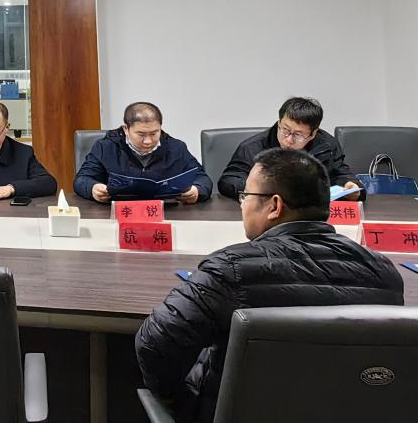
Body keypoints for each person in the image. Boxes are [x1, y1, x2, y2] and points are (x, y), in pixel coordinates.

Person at [135, 148, 403, 423]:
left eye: (246, 196)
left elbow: (154, 346)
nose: (242, 205)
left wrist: (185, 405)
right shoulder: (384, 273)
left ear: (274, 206)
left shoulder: (230, 269)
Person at [217, 97, 361, 200]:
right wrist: (262, 188)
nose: (289, 140)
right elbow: (228, 181)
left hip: (311, 215)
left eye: (298, 135)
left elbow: (341, 174)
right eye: (285, 130)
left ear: (313, 134)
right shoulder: (253, 147)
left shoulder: (326, 145)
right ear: (279, 122)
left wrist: (351, 187)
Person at [74, 102, 211, 204]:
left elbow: (202, 177)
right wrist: (93, 188)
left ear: (160, 128)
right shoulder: (105, 147)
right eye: (141, 134)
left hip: (166, 214)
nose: (148, 141)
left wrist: (197, 190)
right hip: (119, 214)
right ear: (126, 129)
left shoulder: (176, 148)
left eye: (154, 133)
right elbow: (82, 179)